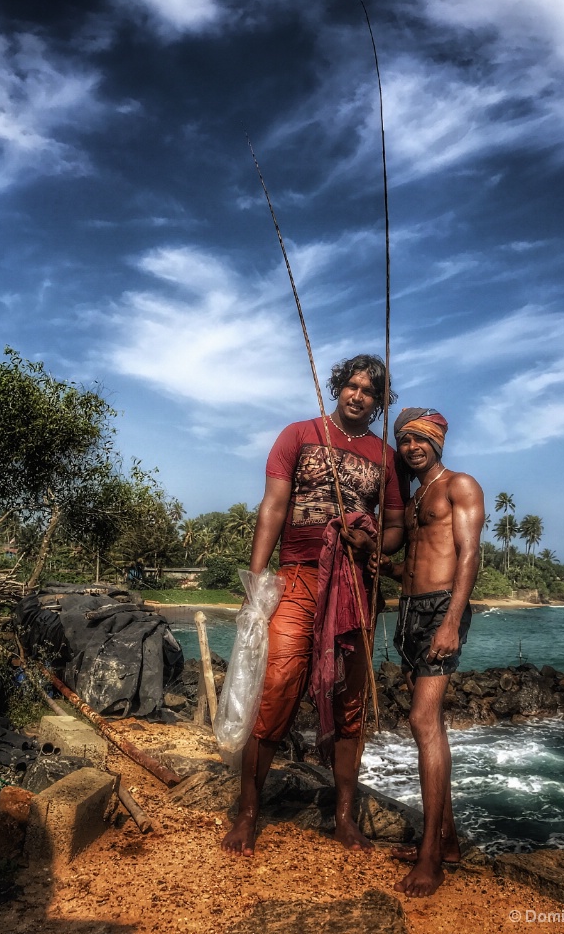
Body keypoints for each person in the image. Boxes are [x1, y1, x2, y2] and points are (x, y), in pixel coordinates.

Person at [221, 354, 406, 857]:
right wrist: (257, 583)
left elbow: (395, 530)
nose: (358, 396)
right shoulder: (298, 434)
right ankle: (248, 811)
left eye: (370, 391)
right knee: (277, 684)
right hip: (297, 578)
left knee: (351, 701)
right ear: (337, 387)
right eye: (352, 386)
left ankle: (344, 818)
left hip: (353, 587)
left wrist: (369, 542)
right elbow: (273, 507)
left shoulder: (387, 458)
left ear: (380, 400)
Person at [372, 407, 484, 897]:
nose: (412, 447)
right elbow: (418, 561)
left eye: (420, 439)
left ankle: (430, 856)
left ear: (437, 440)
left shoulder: (460, 485)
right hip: (411, 611)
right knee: (429, 724)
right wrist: (384, 566)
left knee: (422, 720)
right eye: (405, 440)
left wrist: (452, 622)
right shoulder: (416, 496)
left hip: (441, 612)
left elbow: (468, 554)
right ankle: (450, 841)